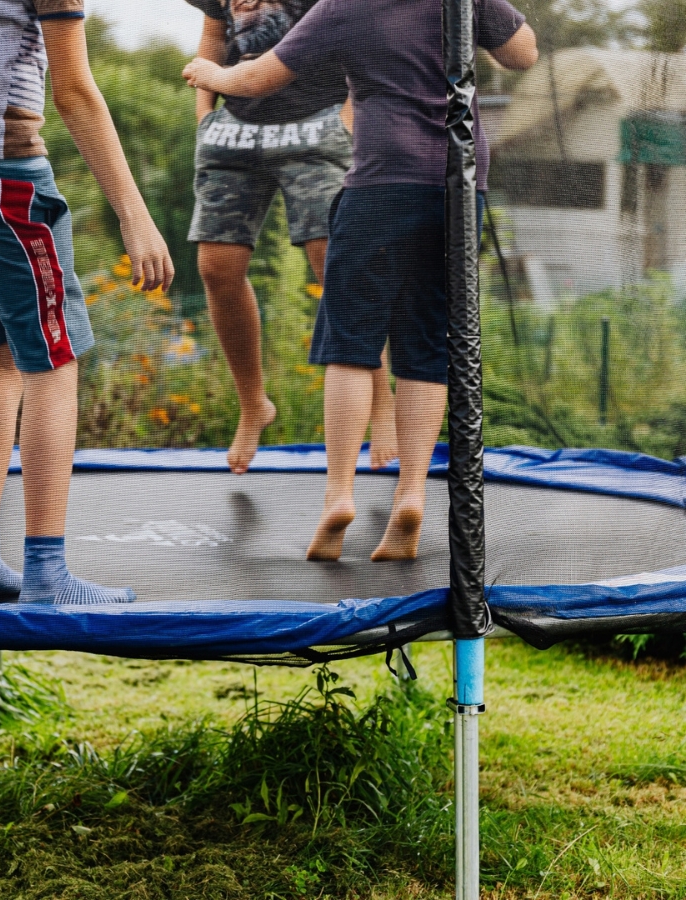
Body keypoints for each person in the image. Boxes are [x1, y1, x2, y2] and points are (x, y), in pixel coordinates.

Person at [183, 0, 538, 561]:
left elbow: (257, 77)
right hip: (460, 186)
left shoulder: (345, 5)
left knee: (350, 345)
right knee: (425, 347)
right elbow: (523, 54)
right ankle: (412, 495)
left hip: (380, 182)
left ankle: (339, 496)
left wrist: (212, 75)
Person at [0, 0, 174, 604]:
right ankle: (48, 573)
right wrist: (136, 216)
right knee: (55, 358)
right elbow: (74, 90)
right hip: (0, 171)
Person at [185, 0, 397, 475]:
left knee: (335, 264)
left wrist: (347, 117)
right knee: (216, 269)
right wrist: (205, 115)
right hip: (234, 131)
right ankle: (253, 404)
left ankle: (382, 404)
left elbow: (359, 35)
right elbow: (214, 34)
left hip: (316, 124)